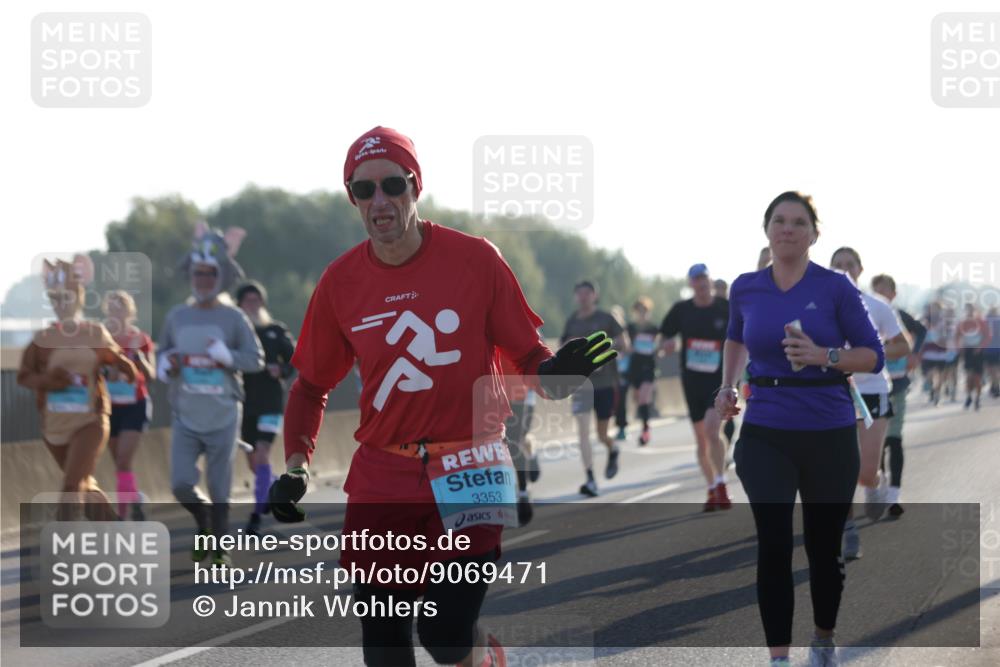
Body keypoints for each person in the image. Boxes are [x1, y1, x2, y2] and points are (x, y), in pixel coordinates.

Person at [267, 126, 615, 667]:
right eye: (364, 190)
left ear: (416, 186)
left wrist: (554, 374)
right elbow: (311, 384)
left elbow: (528, 357)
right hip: (383, 473)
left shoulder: (476, 259)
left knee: (445, 633)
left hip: (471, 462)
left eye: (392, 185)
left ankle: (484, 656)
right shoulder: (340, 283)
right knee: (384, 641)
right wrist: (296, 464)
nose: (380, 201)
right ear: (352, 198)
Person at [716, 192, 885, 666]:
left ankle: (824, 639)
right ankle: (779, 659)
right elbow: (734, 336)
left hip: (828, 431)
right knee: (772, 545)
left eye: (797, 222)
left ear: (814, 234)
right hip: (766, 429)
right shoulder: (746, 287)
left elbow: (874, 354)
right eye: (779, 221)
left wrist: (824, 356)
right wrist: (727, 386)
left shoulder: (835, 288)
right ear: (766, 229)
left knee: (822, 549)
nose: (787, 229)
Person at [159, 224, 264, 566]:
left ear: (220, 277)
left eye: (209, 273)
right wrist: (165, 364)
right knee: (180, 485)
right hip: (186, 414)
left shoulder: (233, 317)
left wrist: (228, 356)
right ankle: (202, 518)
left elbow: (256, 359)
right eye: (197, 272)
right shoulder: (177, 316)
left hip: (222, 414)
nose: (202, 279)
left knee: (220, 487)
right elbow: (162, 355)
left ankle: (219, 549)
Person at [17, 257, 138, 521]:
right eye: (55, 298)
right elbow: (24, 376)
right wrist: (48, 382)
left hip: (90, 421)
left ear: (78, 297)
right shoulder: (44, 339)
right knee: (83, 484)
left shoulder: (94, 333)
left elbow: (118, 361)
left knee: (71, 487)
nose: (61, 304)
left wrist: (126, 370)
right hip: (55, 426)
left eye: (66, 297)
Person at [829, 248, 911, 559]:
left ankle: (876, 481)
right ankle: (848, 532)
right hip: (836, 393)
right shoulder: (820, 307)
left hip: (873, 391)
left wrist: (871, 355)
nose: (844, 269)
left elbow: (902, 345)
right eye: (838, 265)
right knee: (841, 468)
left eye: (850, 264)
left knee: (864, 472)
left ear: (860, 269)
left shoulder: (877, 306)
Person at [660, 264, 731, 511]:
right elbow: (664, 336)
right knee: (701, 441)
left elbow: (742, 336)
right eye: (696, 280)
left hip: (718, 382)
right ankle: (711, 487)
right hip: (691, 383)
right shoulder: (682, 310)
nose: (701, 284)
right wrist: (667, 343)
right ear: (690, 284)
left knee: (713, 431)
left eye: (704, 279)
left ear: (710, 281)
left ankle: (722, 484)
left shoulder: (725, 307)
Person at [236, 280, 297, 535]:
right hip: (242, 403)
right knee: (254, 462)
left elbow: (295, 360)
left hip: (271, 403)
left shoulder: (275, 330)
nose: (253, 304)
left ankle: (256, 516)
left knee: (262, 455)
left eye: (257, 300)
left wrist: (281, 369)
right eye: (248, 300)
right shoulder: (234, 332)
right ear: (239, 304)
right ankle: (272, 490)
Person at [562, 280, 626, 497]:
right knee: (582, 433)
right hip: (581, 385)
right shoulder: (572, 322)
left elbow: (624, 342)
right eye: (579, 293)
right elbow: (562, 348)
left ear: (594, 295)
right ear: (575, 297)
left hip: (605, 384)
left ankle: (612, 448)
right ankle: (590, 478)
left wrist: (601, 351)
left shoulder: (607, 319)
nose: (583, 297)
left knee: (601, 434)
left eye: (587, 293)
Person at [871, 274, 926, 518]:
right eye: (877, 292)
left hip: (899, 384)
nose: (881, 297)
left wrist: (914, 354)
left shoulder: (899, 315)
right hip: (873, 387)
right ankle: (881, 487)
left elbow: (921, 330)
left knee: (894, 438)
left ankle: (894, 493)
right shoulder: (866, 313)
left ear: (894, 294)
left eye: (885, 292)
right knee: (876, 443)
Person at [102, 290, 156, 520]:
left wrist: (139, 359)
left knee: (124, 460)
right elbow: (93, 371)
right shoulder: (102, 338)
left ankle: (122, 517)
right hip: (109, 406)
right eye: (113, 306)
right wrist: (109, 371)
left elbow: (151, 374)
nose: (117, 311)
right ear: (107, 310)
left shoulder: (140, 339)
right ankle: (135, 498)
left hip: (135, 404)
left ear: (130, 311)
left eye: (121, 306)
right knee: (120, 464)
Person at [626, 297, 659, 446]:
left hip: (649, 366)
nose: (642, 314)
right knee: (638, 399)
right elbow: (624, 345)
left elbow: (660, 345)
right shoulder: (630, 328)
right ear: (635, 312)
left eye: (644, 311)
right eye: (639, 311)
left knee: (644, 398)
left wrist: (659, 349)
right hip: (634, 367)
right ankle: (643, 423)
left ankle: (645, 430)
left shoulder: (654, 329)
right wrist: (629, 348)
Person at [954, 303, 992, 410]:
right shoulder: (962, 323)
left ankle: (977, 398)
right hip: (967, 351)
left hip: (978, 352)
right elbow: (957, 336)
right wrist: (959, 348)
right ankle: (969, 396)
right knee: (968, 376)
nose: (969, 312)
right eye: (967, 310)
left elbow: (988, 336)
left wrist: (980, 347)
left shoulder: (981, 322)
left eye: (971, 310)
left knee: (977, 378)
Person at [610, 304, 631, 441]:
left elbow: (627, 349)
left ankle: (622, 427)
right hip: (610, 371)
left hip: (623, 370)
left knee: (621, 398)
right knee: (613, 398)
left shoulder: (624, 333)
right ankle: (615, 423)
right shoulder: (607, 332)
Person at [985, 306, 1000, 398]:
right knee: (995, 370)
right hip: (993, 349)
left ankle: (995, 386)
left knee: (991, 370)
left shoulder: (985, 321)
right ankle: (995, 386)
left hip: (989, 349)